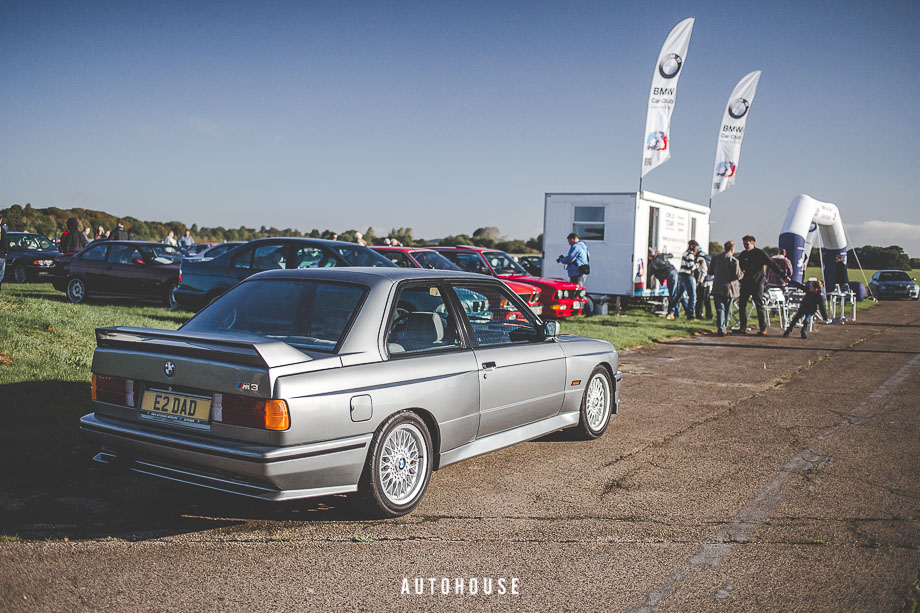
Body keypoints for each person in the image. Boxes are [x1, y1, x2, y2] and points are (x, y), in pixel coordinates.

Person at [735, 234, 791, 335]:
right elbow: (737, 267)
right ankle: (743, 327)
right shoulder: (743, 255)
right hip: (746, 283)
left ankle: (763, 328)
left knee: (759, 305)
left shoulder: (759, 253)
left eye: (747, 244)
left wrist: (783, 275)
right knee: (742, 304)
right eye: (744, 244)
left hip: (757, 283)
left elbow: (772, 264)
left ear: (753, 243)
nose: (745, 246)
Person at [710, 240, 743, 336]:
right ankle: (724, 327)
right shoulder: (734, 261)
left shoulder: (715, 258)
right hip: (730, 288)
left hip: (717, 287)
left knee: (720, 308)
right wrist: (742, 274)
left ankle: (721, 328)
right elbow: (737, 276)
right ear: (733, 249)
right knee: (728, 309)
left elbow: (710, 271)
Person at [668, 240, 698, 320]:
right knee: (692, 296)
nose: (696, 249)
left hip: (681, 275)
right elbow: (691, 267)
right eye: (695, 247)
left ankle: (671, 312)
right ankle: (690, 315)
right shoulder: (690, 254)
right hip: (687, 276)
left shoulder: (685, 253)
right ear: (692, 246)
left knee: (678, 295)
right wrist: (698, 264)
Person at [648, 248, 680, 315]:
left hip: (669, 275)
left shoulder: (653, 263)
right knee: (677, 294)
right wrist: (663, 254)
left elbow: (649, 273)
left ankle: (672, 312)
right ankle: (679, 312)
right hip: (674, 271)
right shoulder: (662, 255)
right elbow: (671, 255)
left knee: (672, 294)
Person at [694, 248, 712, 320]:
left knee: (700, 299)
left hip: (703, 281)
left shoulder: (700, 258)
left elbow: (703, 270)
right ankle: (709, 315)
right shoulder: (706, 256)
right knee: (707, 299)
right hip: (709, 280)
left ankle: (699, 315)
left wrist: (699, 281)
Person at [0, 212, 8, 291]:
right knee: (1, 274)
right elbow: (5, 242)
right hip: (1, 255)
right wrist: (6, 251)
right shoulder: (2, 230)